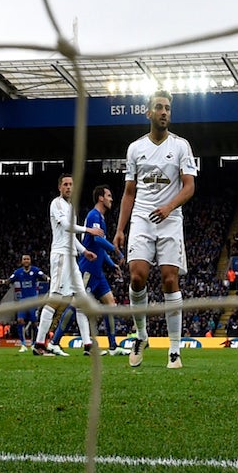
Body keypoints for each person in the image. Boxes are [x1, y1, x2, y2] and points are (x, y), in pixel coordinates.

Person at [115, 91, 198, 369]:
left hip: (170, 218)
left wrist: (169, 207)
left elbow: (189, 186)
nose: (164, 112)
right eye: (159, 108)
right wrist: (120, 229)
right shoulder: (135, 148)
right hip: (141, 216)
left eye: (168, 108)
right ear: (149, 113)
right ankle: (141, 336)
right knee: (137, 277)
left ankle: (174, 349)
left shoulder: (181, 146)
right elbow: (128, 192)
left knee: (169, 280)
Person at [33, 174, 95, 355]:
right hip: (61, 256)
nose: (68, 187)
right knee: (55, 299)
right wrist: (88, 230)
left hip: (72, 257)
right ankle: (39, 344)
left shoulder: (71, 207)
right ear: (60, 187)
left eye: (71, 184)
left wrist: (84, 251)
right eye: (65, 184)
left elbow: (71, 236)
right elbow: (67, 227)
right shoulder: (57, 203)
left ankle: (87, 345)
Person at [81, 184, 123, 348]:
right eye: (109, 195)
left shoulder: (101, 219)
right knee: (77, 305)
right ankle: (54, 342)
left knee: (110, 304)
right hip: (88, 269)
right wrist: (116, 251)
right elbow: (97, 240)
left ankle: (113, 345)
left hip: (98, 272)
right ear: (101, 198)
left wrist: (111, 265)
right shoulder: (93, 215)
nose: (111, 199)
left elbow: (99, 247)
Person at [7, 253, 48, 352]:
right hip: (22, 301)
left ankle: (34, 344)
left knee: (34, 323)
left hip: (33, 301)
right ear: (22, 261)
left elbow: (43, 276)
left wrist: (48, 278)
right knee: (20, 320)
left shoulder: (35, 270)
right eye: (24, 259)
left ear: (30, 261)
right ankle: (23, 345)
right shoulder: (18, 272)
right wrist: (3, 282)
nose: (26, 261)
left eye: (27, 259)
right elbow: (10, 280)